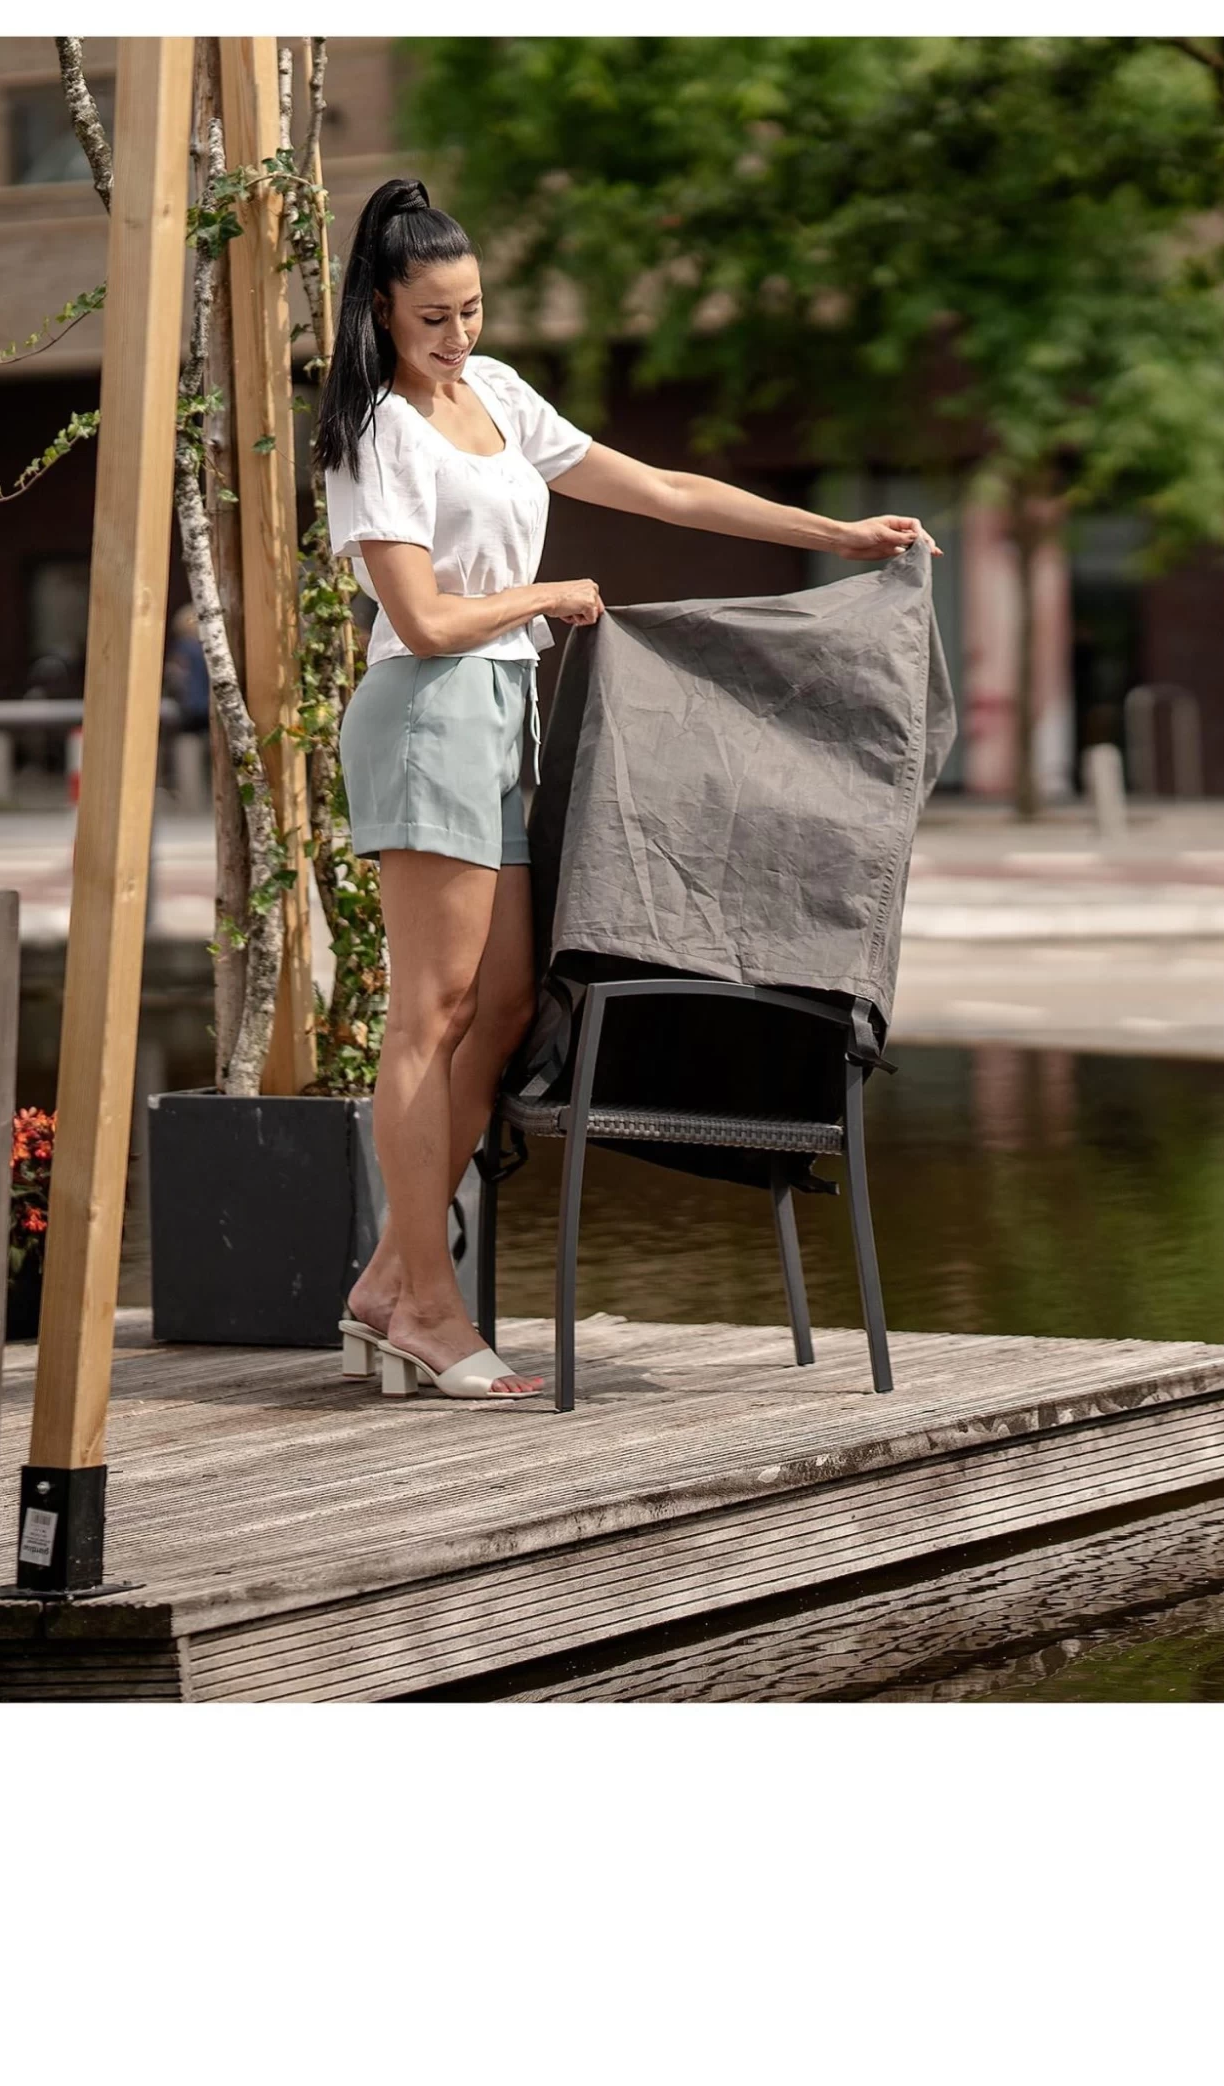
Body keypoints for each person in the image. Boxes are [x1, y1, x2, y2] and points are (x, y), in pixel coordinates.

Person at [318, 178, 933, 1399]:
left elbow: (661, 489)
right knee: (431, 1012)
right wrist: (545, 596)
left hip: (503, 714)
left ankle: (387, 1280)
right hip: (428, 714)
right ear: (381, 309)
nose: (458, 334)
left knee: (504, 1005)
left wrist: (837, 534)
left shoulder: (498, 395)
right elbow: (422, 619)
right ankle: (427, 1304)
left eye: (473, 309)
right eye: (434, 317)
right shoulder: (377, 431)